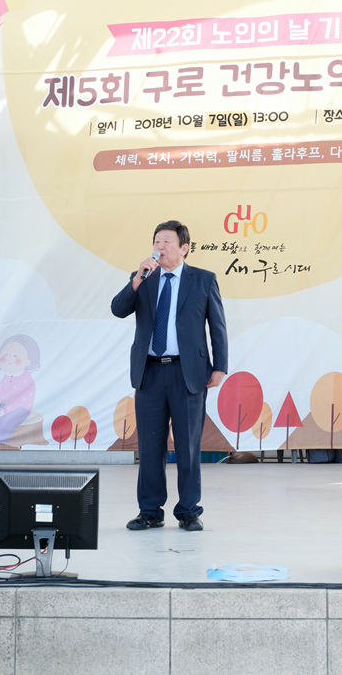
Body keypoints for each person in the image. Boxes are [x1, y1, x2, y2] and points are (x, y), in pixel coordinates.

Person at [111, 220, 228, 532]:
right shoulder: (143, 278)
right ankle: (150, 511)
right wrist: (136, 280)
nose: (159, 247)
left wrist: (220, 366)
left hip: (187, 373)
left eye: (167, 242)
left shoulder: (203, 280)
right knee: (150, 447)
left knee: (188, 447)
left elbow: (217, 326)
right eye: (156, 242)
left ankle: (189, 511)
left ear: (184, 248)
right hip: (149, 372)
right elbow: (118, 309)